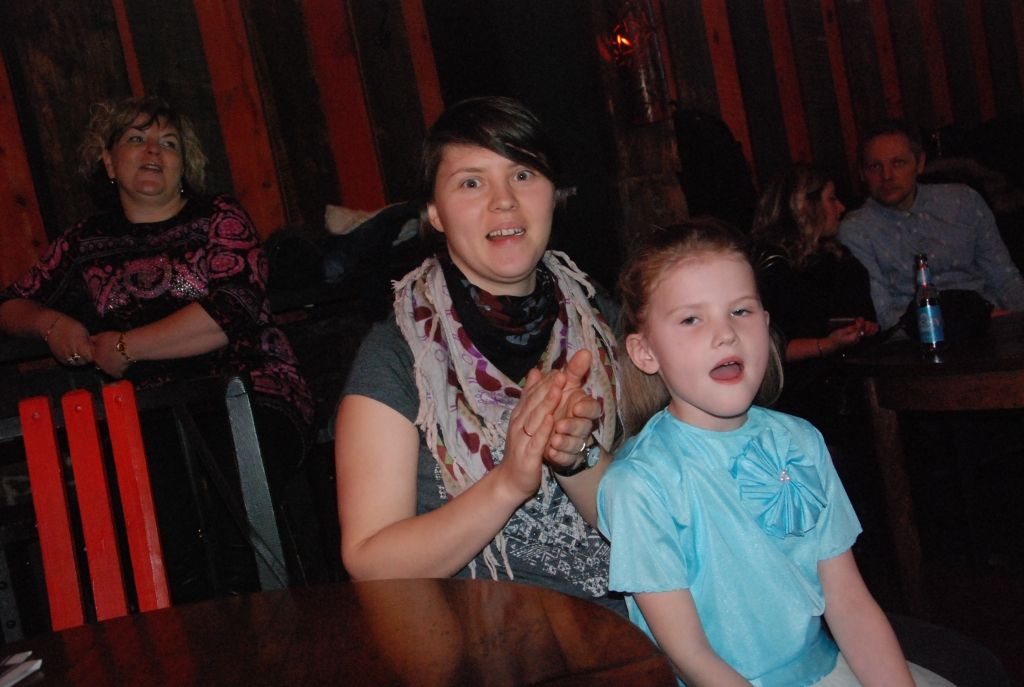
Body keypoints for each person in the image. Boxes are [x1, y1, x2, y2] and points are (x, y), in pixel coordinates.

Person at [598, 219, 952, 685]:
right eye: (691, 319)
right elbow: (689, 655)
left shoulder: (800, 441)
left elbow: (848, 602)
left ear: (765, 325)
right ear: (646, 352)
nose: (726, 334)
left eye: (740, 311)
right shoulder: (639, 484)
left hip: (823, 668)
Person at [0, 96, 320, 601]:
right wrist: (51, 324)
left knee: (236, 520)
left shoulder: (218, 216)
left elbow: (232, 310)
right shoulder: (85, 241)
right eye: (136, 139)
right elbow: (10, 304)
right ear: (108, 163)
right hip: (147, 410)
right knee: (161, 534)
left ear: (183, 165)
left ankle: (279, 624)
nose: (153, 150)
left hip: (247, 389)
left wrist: (126, 346)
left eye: (168, 143)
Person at [335, 96, 623, 609]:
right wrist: (507, 483)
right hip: (485, 635)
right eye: (471, 182)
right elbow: (370, 563)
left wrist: (576, 453)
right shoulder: (397, 353)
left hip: (638, 619)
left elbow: (676, 502)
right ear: (434, 213)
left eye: (523, 175)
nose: (504, 201)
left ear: (553, 194)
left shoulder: (603, 319)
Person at [839, 119, 1024, 329]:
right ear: (862, 174)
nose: (887, 176)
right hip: (919, 336)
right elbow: (884, 315)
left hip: (993, 323)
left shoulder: (963, 202)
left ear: (919, 164)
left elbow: (1004, 278)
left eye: (898, 163)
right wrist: (969, 319)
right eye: (875, 167)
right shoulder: (857, 230)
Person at [750, 165, 878, 442]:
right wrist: (827, 344)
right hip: (794, 400)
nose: (841, 208)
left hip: (843, 385)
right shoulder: (769, 265)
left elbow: (859, 313)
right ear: (803, 206)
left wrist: (861, 328)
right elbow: (768, 348)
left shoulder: (837, 258)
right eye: (831, 199)